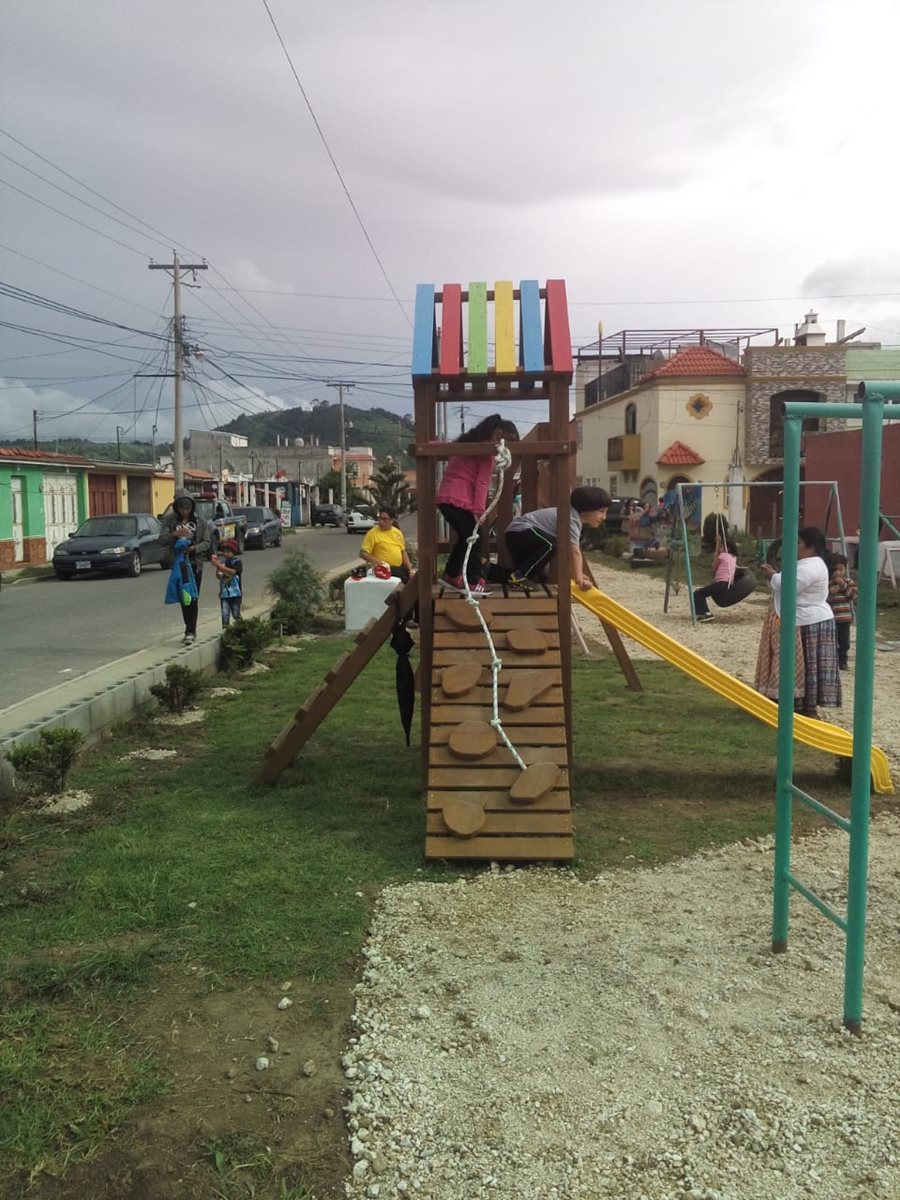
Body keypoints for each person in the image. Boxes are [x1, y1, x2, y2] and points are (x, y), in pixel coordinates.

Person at [755, 526, 841, 719]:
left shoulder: (812, 565)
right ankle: (794, 703)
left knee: (807, 666)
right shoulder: (804, 564)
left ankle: (807, 707)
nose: (794, 547)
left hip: (809, 621)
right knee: (798, 665)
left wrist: (772, 576)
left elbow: (789, 585)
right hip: (802, 619)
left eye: (799, 543)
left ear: (811, 547)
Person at [435, 413, 520, 595]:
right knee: (476, 538)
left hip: (445, 498)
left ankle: (450, 574)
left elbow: (444, 448)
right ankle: (473, 580)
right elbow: (482, 483)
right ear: (498, 435)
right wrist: (479, 511)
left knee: (466, 538)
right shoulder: (486, 453)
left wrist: (431, 445)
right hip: (460, 500)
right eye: (509, 442)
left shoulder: (466, 443)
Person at [504, 485, 610, 591]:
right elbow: (574, 552)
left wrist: (576, 574)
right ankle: (518, 576)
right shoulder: (571, 519)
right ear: (586, 508)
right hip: (521, 531)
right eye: (601, 511)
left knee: (537, 577)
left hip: (517, 534)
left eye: (606, 512)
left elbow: (569, 552)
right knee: (551, 546)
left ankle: (491, 570)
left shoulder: (571, 517)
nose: (604, 517)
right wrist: (578, 578)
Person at [160, 490, 213, 645]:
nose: (185, 511)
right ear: (177, 507)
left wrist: (194, 548)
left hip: (195, 564)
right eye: (182, 508)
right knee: (185, 598)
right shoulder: (169, 521)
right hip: (179, 565)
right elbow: (161, 540)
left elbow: (207, 542)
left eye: (188, 508)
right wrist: (175, 534)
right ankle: (188, 629)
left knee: (193, 597)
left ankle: (191, 630)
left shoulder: (200, 521)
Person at [359, 506, 415, 582]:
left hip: (398, 568)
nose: (381, 522)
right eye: (380, 518)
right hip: (382, 570)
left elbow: (403, 552)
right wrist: (379, 562)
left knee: (415, 578)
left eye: (385, 519)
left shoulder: (397, 532)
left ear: (392, 520)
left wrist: (410, 569)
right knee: (402, 577)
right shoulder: (372, 533)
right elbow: (363, 553)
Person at [693, 534, 738, 623]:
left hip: (721, 584)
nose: (720, 548)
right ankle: (705, 613)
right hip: (727, 584)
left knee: (698, 593)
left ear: (727, 549)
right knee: (702, 593)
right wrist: (718, 542)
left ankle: (706, 614)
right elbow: (717, 554)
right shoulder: (733, 557)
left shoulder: (722, 556)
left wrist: (717, 547)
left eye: (721, 546)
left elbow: (713, 567)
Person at [827, 553, 857, 671]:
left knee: (844, 642)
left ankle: (843, 661)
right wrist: (830, 591)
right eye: (835, 570)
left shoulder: (848, 582)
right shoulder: (827, 583)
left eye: (841, 569)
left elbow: (852, 596)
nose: (838, 573)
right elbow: (824, 598)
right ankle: (833, 661)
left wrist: (843, 585)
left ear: (845, 569)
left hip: (844, 618)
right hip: (831, 618)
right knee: (831, 641)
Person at [211, 539, 243, 628]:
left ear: (233, 552)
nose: (226, 554)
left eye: (228, 552)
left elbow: (233, 572)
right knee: (225, 613)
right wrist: (218, 567)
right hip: (224, 593)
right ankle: (226, 630)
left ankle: (241, 628)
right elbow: (218, 576)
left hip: (236, 593)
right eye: (224, 552)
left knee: (236, 613)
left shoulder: (237, 562)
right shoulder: (222, 563)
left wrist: (220, 566)